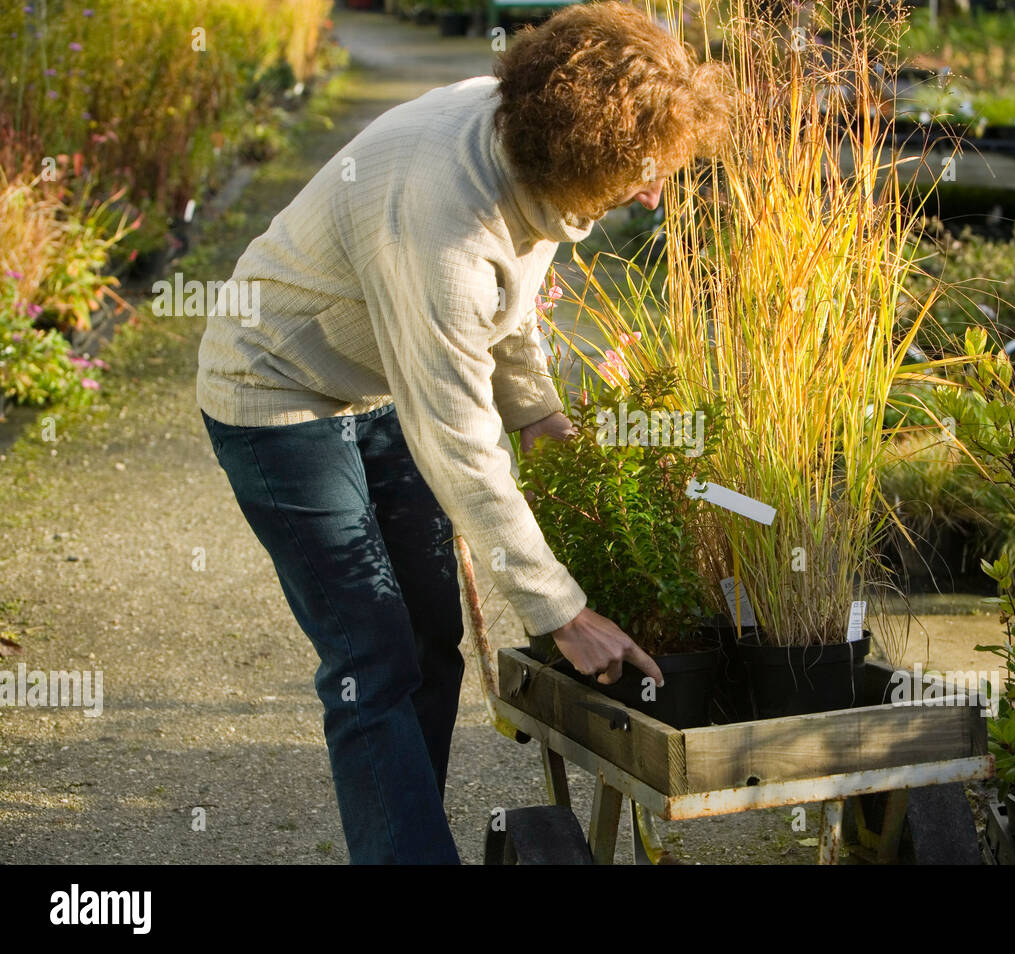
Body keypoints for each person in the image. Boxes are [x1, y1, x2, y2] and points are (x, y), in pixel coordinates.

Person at [194, 1, 732, 864]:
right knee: (370, 656)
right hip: (276, 390)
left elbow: (508, 310)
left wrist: (545, 420)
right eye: (644, 172)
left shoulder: (532, 145)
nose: (653, 191)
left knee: (430, 641)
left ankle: (403, 837)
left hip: (377, 381)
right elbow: (458, 439)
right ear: (584, 150)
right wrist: (561, 611)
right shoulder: (443, 220)